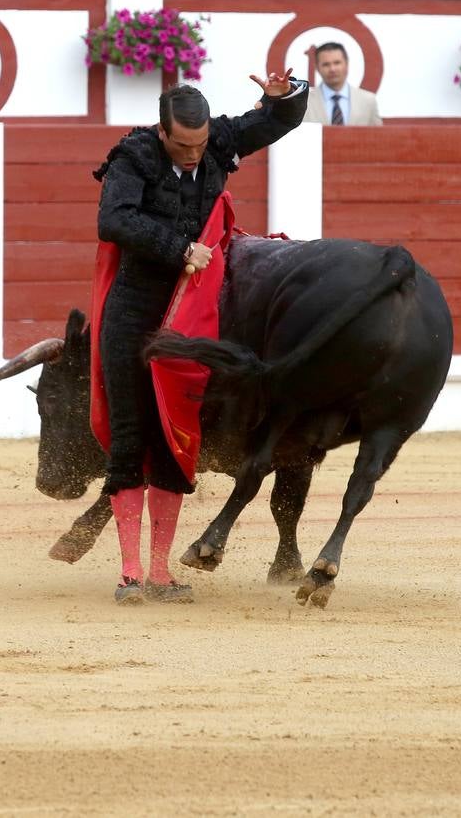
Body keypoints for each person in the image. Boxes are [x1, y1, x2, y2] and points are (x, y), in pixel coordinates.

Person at [91, 71, 308, 604]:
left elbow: (273, 124)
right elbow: (113, 220)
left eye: (201, 143)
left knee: (173, 435)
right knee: (129, 435)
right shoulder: (133, 157)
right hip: (135, 311)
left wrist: (284, 98)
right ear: (162, 132)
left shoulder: (215, 143)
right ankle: (128, 573)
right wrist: (180, 248)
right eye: (184, 145)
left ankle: (160, 574)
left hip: (188, 319)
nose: (194, 155)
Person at [303, 42, 382, 126]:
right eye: (326, 64)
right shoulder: (304, 102)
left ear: (346, 63)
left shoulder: (368, 101)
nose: (332, 69)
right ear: (317, 68)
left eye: (337, 63)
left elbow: (377, 136)